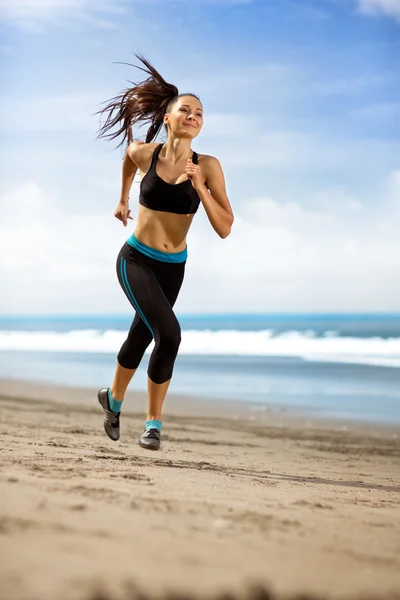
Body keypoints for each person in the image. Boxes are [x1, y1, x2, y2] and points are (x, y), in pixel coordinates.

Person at [95, 52, 234, 451]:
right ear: (169, 117)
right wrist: (123, 198)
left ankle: (113, 400)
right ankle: (153, 424)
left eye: (200, 114)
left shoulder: (207, 165)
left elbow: (225, 227)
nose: (193, 116)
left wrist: (201, 188)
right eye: (186, 110)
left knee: (142, 335)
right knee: (168, 334)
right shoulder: (147, 154)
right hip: (136, 258)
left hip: (174, 266)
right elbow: (127, 156)